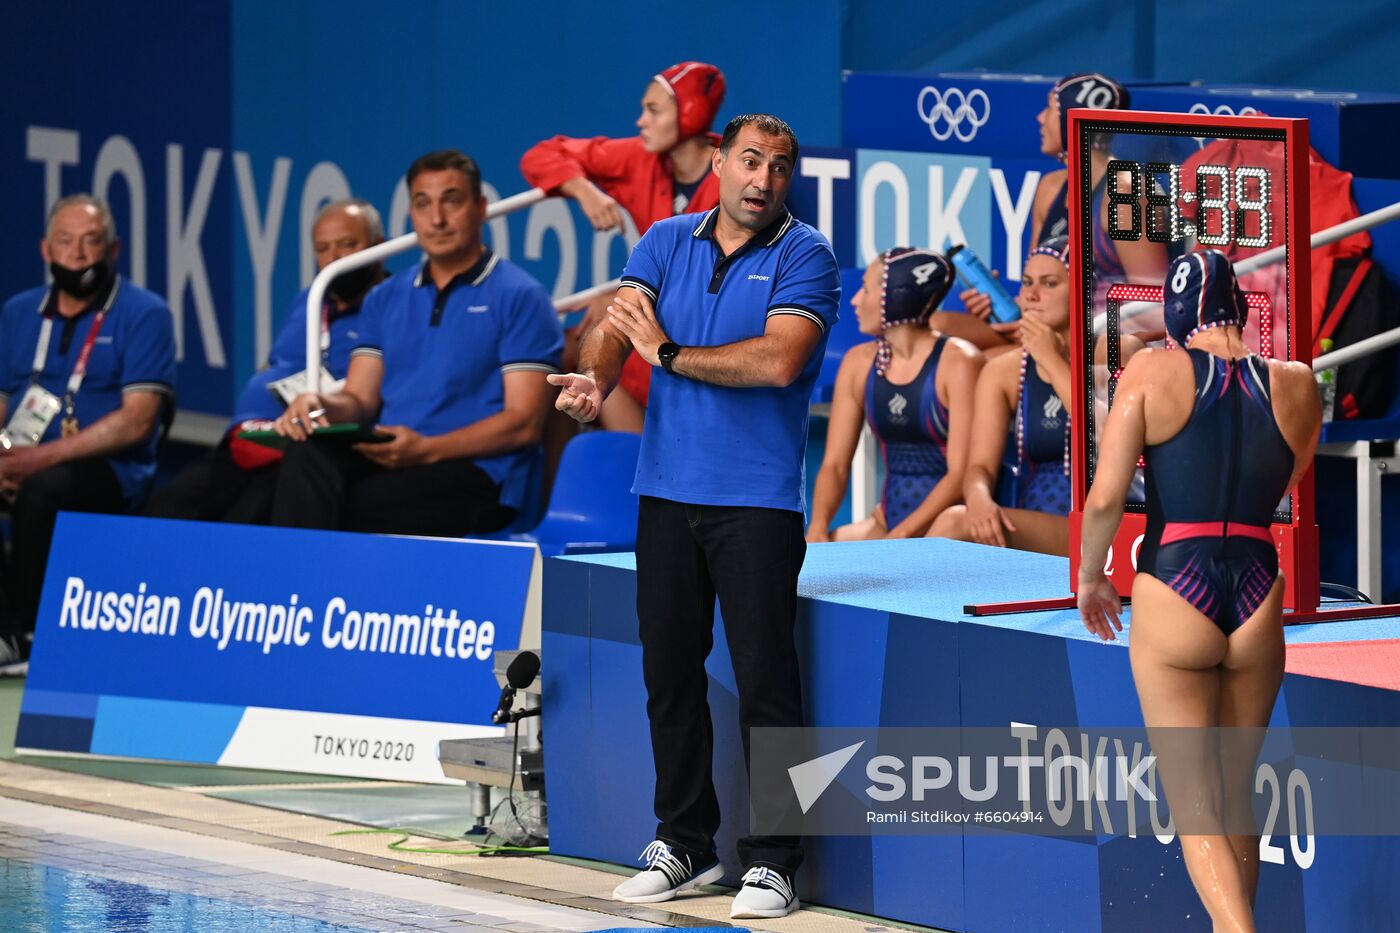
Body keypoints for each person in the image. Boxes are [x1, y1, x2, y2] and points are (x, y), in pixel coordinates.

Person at [549, 113, 839, 920]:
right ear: (718, 161)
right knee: (668, 675)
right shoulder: (666, 240)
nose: (763, 179)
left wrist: (666, 355)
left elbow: (778, 358)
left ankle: (776, 860)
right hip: (666, 494)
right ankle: (685, 842)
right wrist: (596, 382)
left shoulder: (806, 255)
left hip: (755, 503)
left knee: (766, 684)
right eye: (750, 160)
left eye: (780, 167)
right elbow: (621, 324)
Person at [1077, 250, 1321, 932]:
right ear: (1240, 307)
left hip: (1175, 582)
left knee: (1195, 804)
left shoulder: (1154, 369)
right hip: (1255, 587)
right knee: (1237, 795)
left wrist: (1092, 575)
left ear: (1178, 315)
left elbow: (1104, 498)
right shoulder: (1299, 383)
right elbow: (1292, 479)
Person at [269, 150, 562, 536]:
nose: (437, 219)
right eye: (423, 204)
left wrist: (427, 448)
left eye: (452, 201)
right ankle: (303, 593)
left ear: (481, 207)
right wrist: (320, 404)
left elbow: (523, 424)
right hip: (394, 453)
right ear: (411, 215)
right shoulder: (385, 296)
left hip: (479, 470)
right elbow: (359, 399)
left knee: (353, 505)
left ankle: (316, 592)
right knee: (304, 458)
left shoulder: (520, 295)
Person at [0, 195, 176, 673]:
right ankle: (2, 628)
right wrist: (3, 460)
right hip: (20, 459)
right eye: (65, 241)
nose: (77, 254)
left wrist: (40, 459)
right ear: (46, 250)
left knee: (45, 488)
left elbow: (138, 420)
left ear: (113, 249)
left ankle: (30, 633)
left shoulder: (144, 313)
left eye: (90, 241)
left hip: (110, 472)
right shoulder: (19, 312)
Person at [143, 199, 385, 524]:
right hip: (246, 439)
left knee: (242, 522)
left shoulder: (389, 305)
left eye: (347, 244)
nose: (334, 258)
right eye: (323, 248)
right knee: (163, 511)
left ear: (378, 246)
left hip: (301, 449)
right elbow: (277, 363)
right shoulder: (308, 299)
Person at [521, 61, 726, 433]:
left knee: (613, 334)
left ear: (691, 113)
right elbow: (542, 154)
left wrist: (621, 296)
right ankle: (624, 478)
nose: (640, 121)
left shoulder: (733, 178)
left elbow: (705, 280)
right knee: (570, 358)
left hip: (708, 337)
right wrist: (582, 189)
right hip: (649, 327)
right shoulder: (640, 157)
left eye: (653, 110)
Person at [934, 72, 1164, 352]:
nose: (1040, 118)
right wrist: (998, 305)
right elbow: (1034, 288)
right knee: (938, 327)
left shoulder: (1125, 194)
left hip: (1098, 344)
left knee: (988, 365)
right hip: (1045, 332)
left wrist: (1069, 336)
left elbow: (1156, 309)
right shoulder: (1050, 188)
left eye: (1050, 109)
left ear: (1072, 119)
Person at [808, 248, 983, 541]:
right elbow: (835, 465)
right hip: (887, 523)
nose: (855, 300)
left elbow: (959, 475)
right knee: (804, 565)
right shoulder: (859, 363)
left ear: (896, 298)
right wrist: (817, 528)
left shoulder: (959, 363)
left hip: (949, 529)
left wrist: (901, 537)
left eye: (865, 289)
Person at [928, 237, 1077, 555]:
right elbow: (979, 466)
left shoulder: (1113, 353)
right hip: (1029, 524)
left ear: (1081, 288)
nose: (1032, 295)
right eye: (1026, 283)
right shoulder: (1005, 371)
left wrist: (1050, 357)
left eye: (1049, 284)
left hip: (1096, 528)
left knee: (953, 524)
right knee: (960, 521)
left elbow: (1100, 433)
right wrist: (979, 497)